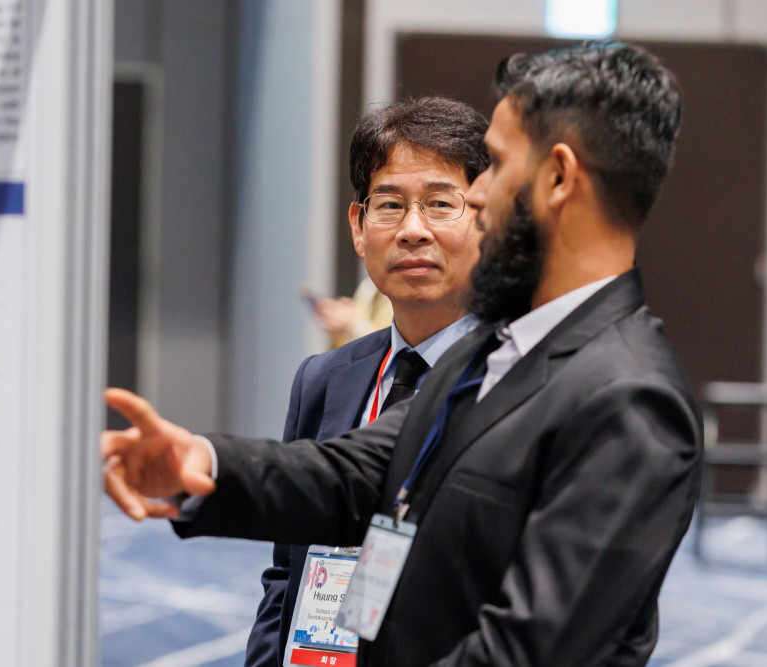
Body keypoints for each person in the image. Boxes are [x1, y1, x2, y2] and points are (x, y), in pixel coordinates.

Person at [103, 41, 703, 665]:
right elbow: (355, 474)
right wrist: (200, 461)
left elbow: (528, 651)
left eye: (496, 165)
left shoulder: (629, 397)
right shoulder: (507, 350)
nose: (477, 197)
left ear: (557, 178)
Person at [246, 97, 489, 666]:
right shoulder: (323, 380)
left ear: (488, 218)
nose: (412, 230)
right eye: (390, 205)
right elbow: (287, 573)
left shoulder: (519, 380)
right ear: (358, 227)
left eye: (440, 203)